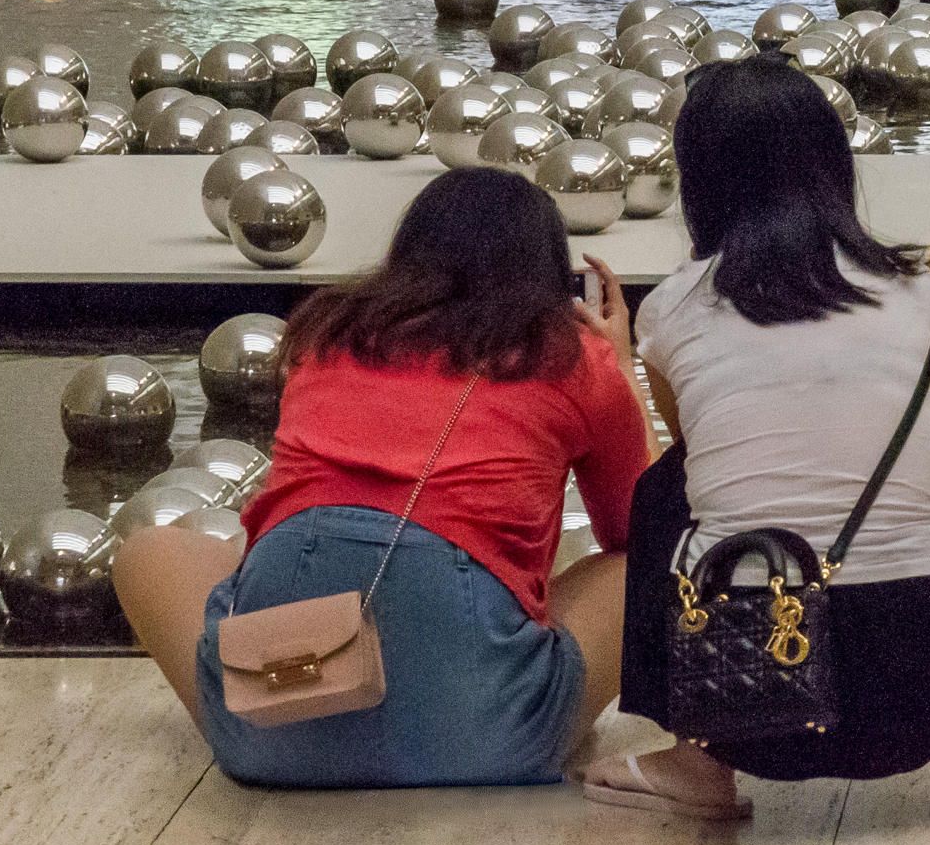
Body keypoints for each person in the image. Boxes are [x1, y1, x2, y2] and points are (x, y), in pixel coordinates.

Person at [583, 58, 930, 824]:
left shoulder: (674, 310)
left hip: (744, 690)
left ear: (700, 178)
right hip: (920, 685)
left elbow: (699, 460)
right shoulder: (927, 295)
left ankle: (695, 760)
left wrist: (618, 359)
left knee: (669, 487)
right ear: (833, 165)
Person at [111, 168, 654, 788]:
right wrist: (620, 363)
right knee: (639, 568)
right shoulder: (569, 358)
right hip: (488, 745)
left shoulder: (331, 336)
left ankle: (283, 733)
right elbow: (637, 528)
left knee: (150, 552)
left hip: (268, 729)